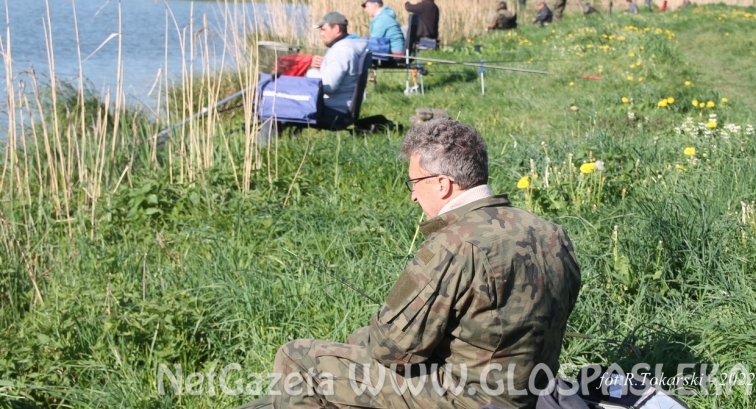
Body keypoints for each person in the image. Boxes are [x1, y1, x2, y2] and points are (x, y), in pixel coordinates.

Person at [238, 119, 581, 408]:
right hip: (532, 392)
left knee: (299, 357)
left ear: (443, 184)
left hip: (470, 399)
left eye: (414, 183)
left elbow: (391, 348)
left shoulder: (452, 243)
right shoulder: (551, 232)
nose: (413, 195)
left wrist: (355, 340)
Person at [305, 11, 368, 123]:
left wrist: (311, 73)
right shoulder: (350, 46)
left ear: (336, 29)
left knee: (278, 104)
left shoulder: (340, 51)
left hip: (334, 110)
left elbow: (329, 86)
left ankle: (269, 139)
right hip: (341, 106)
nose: (321, 34)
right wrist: (323, 66)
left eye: (323, 29)